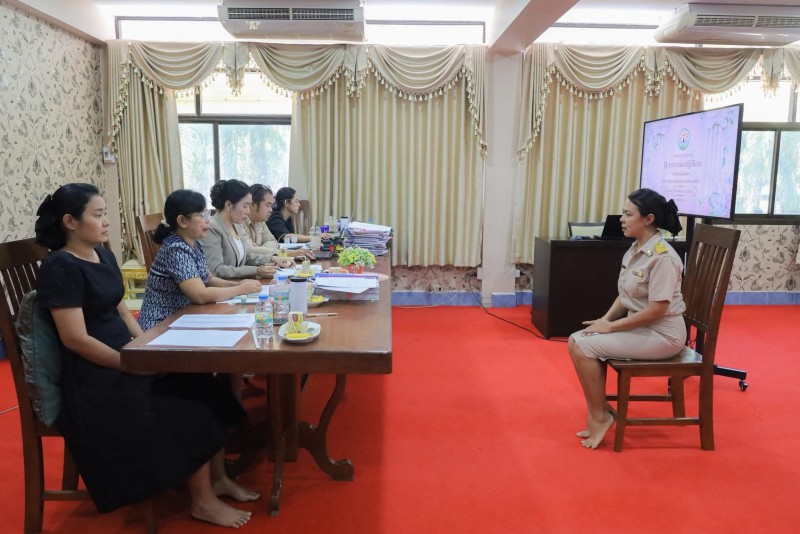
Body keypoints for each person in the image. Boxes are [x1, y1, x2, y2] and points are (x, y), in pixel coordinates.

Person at [34, 183, 258, 528]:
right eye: (98, 214)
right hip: (95, 374)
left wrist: (148, 350)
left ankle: (218, 479)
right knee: (189, 403)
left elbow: (123, 312)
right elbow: (75, 339)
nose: (107, 221)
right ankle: (203, 501)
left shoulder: (103, 255)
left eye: (105, 213)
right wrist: (129, 363)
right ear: (70, 222)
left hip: (127, 355)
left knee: (205, 387)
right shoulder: (60, 267)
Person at [567, 188, 686, 449]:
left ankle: (599, 416)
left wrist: (611, 327)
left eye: (628, 214)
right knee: (576, 341)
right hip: (642, 328)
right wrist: (603, 320)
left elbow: (657, 311)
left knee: (584, 346)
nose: (621, 219)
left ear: (649, 219)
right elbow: (625, 296)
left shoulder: (663, 257)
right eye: (623, 213)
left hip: (663, 335)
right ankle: (599, 412)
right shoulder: (635, 249)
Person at [137, 189, 264, 330]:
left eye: (207, 214)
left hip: (184, 315)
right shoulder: (175, 248)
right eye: (202, 215)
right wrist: (240, 289)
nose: (208, 220)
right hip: (161, 324)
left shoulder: (194, 242)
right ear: (182, 221)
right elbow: (200, 295)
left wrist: (238, 284)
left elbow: (208, 279)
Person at [201, 179, 279, 279]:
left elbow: (247, 257)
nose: (248, 211)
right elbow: (216, 270)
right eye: (245, 206)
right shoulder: (212, 228)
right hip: (226, 286)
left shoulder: (236, 225)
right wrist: (256, 271)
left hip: (240, 283)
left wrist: (271, 258)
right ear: (229, 205)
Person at [244, 184, 314, 260]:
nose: (271, 210)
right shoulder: (241, 222)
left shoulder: (261, 221)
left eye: (271, 206)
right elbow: (249, 251)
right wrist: (289, 254)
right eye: (267, 205)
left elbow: (273, 242)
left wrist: (259, 249)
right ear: (253, 205)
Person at [266, 186, 332, 244]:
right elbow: (288, 236)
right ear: (286, 202)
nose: (299, 204)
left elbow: (292, 237)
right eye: (296, 201)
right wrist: (315, 238)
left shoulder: (287, 218)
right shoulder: (275, 218)